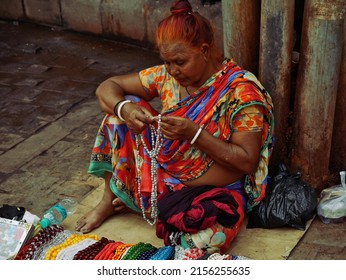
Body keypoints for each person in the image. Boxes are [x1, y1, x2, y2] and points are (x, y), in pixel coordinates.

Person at [76, 0, 274, 254]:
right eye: (167, 62)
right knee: (116, 116)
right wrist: (124, 109)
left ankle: (145, 202)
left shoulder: (241, 93)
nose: (173, 71)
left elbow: (247, 161)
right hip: (165, 173)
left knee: (201, 244)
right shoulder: (165, 76)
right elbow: (107, 87)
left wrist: (194, 134)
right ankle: (109, 200)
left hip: (214, 190)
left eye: (180, 62)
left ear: (204, 50)